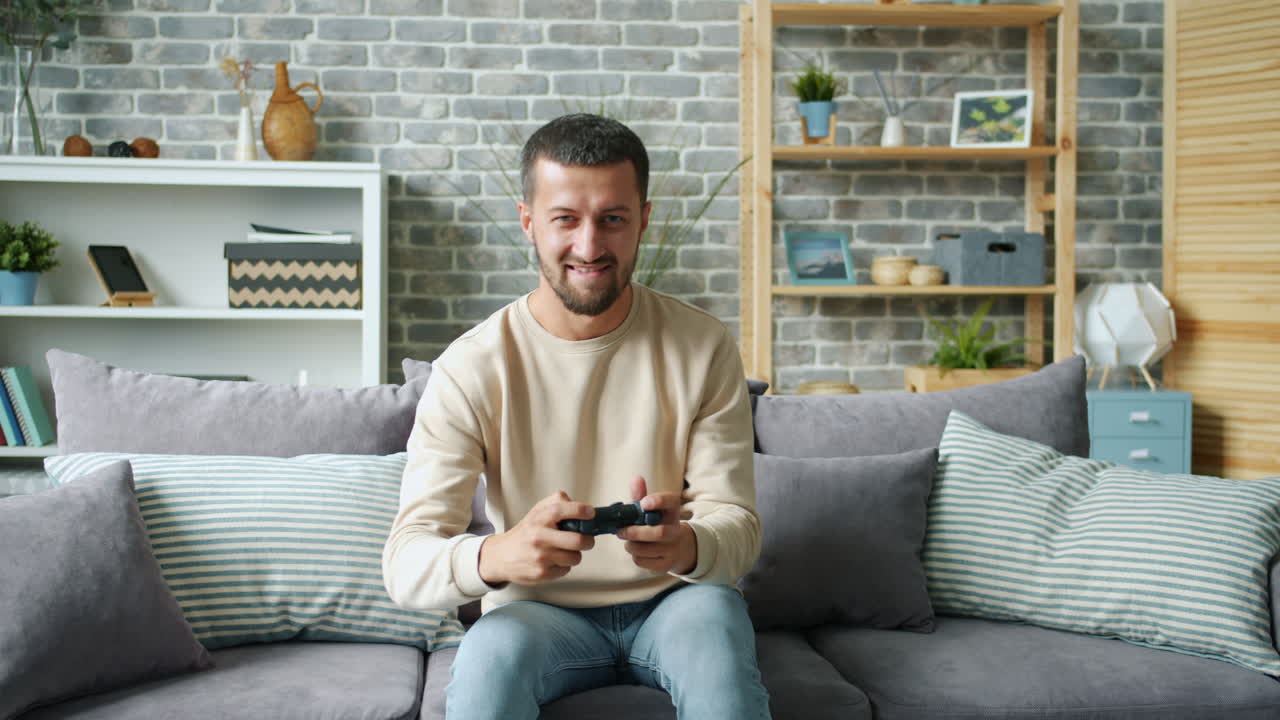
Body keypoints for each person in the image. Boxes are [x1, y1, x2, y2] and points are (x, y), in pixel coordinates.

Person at [383, 113, 770, 720]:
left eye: (612, 219)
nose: (589, 247)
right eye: (566, 219)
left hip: (677, 602)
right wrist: (495, 556)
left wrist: (688, 545)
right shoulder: (470, 367)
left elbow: (738, 527)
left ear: (643, 220)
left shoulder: (704, 346)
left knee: (717, 632)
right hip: (535, 615)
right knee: (488, 660)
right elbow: (406, 563)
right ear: (529, 222)